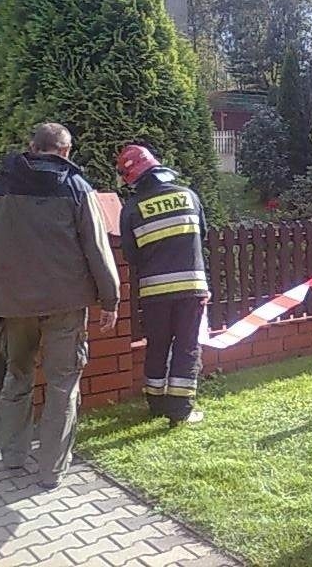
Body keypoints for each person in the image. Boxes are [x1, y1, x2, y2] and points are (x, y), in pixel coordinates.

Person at [0, 123, 120, 489]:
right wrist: (109, 297)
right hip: (65, 304)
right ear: (66, 151)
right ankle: (52, 472)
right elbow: (97, 248)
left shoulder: (1, 188)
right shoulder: (76, 188)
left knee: (17, 376)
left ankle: (13, 458)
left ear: (32, 147)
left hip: (14, 305)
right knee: (63, 385)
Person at [116, 144, 210, 427]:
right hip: (190, 286)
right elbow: (201, 235)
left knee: (157, 345)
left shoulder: (132, 208)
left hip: (154, 291)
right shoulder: (189, 196)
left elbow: (130, 255)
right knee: (186, 346)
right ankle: (180, 410)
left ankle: (156, 403)